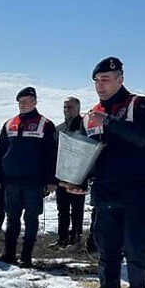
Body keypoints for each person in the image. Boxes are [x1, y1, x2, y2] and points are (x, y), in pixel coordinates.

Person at [60, 57, 145, 288]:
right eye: (96, 81)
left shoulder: (140, 104)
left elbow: (142, 137)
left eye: (105, 80)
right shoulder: (90, 113)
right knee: (107, 254)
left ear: (120, 79)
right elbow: (88, 154)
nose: (100, 86)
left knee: (137, 252)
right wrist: (78, 180)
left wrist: (109, 121)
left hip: (137, 193)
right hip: (105, 194)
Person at [0, 86, 58, 269]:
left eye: (26, 101)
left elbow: (52, 154)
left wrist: (52, 180)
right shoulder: (9, 124)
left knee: (31, 219)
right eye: (20, 102)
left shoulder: (45, 124)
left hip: (34, 183)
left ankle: (26, 256)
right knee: (11, 219)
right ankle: (8, 254)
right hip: (11, 182)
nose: (23, 105)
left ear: (35, 102)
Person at [51, 97, 86, 248]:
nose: (67, 110)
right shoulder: (58, 129)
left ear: (78, 108)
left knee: (77, 209)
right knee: (62, 210)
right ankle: (62, 238)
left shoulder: (85, 127)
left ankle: (76, 239)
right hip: (61, 175)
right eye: (65, 107)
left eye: (70, 107)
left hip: (78, 176)